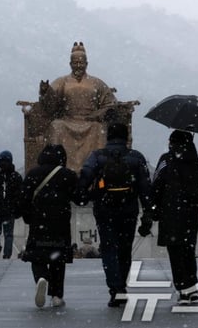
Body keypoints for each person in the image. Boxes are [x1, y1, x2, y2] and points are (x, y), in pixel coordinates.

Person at [79, 122, 153, 307]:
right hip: (128, 209)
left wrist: (83, 195)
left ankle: (115, 288)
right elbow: (145, 189)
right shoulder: (136, 157)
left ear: (108, 136)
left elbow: (85, 177)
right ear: (126, 137)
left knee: (109, 248)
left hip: (105, 209)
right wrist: (148, 214)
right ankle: (122, 286)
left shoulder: (98, 156)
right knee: (124, 249)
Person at [37, 42, 118, 173]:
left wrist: (98, 114)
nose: (78, 66)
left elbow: (110, 102)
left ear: (87, 64)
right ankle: (57, 166)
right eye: (75, 63)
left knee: (100, 128)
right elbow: (51, 103)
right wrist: (46, 92)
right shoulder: (62, 81)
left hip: (90, 122)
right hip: (68, 121)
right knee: (56, 126)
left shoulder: (96, 82)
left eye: (81, 63)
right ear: (70, 64)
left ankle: (97, 167)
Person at [18, 144, 79, 309]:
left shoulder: (32, 174)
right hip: (60, 223)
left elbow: (23, 199)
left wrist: (28, 217)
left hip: (39, 222)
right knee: (57, 259)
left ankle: (41, 278)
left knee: (36, 255)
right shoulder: (68, 175)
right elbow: (79, 198)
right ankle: (57, 295)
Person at [150, 130, 198, 305]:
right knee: (188, 250)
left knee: (175, 252)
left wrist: (153, 207)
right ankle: (192, 287)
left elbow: (156, 183)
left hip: (171, 211)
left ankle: (183, 290)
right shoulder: (196, 162)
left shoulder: (166, 160)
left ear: (172, 142)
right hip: (190, 213)